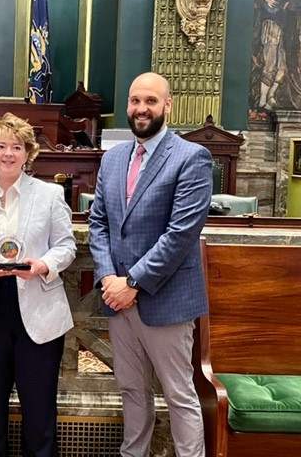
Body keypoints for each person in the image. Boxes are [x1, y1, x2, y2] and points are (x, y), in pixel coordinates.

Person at [88, 72, 212, 457]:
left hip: (166, 300)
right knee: (131, 389)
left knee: (179, 395)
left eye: (151, 101)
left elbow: (180, 234)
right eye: (135, 101)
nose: (141, 109)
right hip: (118, 300)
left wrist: (133, 283)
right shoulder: (112, 158)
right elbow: (99, 222)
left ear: (168, 105)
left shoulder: (191, 157)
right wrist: (109, 276)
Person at [0, 112, 76, 457]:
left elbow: (66, 246)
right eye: (2, 146)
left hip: (39, 309)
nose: (9, 153)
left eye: (17, 147)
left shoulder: (50, 195)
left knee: (39, 412)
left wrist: (43, 265)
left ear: (28, 153)